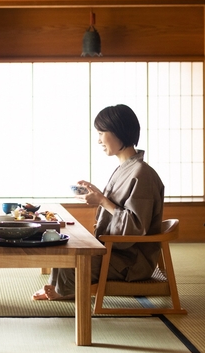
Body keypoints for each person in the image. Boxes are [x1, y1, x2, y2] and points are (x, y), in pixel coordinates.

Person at [32, 104, 164, 301]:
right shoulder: (126, 169)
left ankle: (64, 289)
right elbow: (118, 211)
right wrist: (99, 197)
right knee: (65, 249)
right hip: (115, 253)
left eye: (102, 132)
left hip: (130, 261)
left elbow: (136, 226)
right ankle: (59, 286)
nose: (99, 139)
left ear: (119, 131)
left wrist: (102, 201)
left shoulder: (142, 173)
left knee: (74, 258)